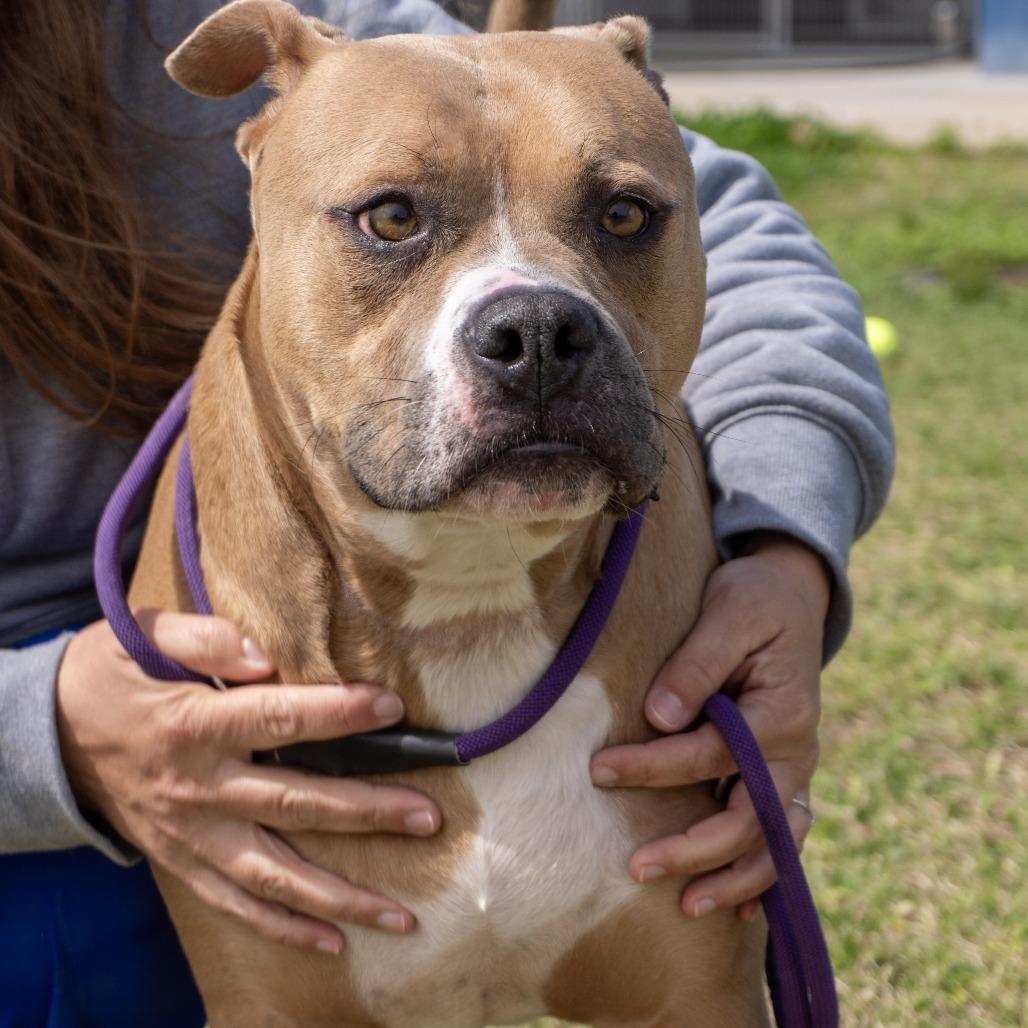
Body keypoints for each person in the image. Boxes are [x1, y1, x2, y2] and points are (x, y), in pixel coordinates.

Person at [0, 0, 894, 1024]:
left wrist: (785, 544)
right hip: (110, 709)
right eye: (392, 220)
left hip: (620, 633)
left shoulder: (322, 34)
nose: (532, 326)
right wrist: (45, 732)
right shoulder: (317, 97)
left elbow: (744, 236)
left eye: (619, 221)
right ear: (256, 149)